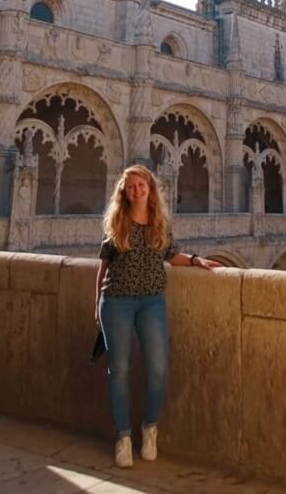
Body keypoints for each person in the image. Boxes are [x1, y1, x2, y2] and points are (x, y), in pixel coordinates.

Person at [95, 165, 221, 468]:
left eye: (141, 185)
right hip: (116, 302)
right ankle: (123, 438)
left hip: (151, 302)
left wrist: (193, 260)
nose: (136, 190)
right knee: (119, 371)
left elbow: (169, 253)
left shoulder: (159, 222)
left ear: (150, 189)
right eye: (131, 186)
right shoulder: (117, 219)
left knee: (158, 369)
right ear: (124, 192)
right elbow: (104, 266)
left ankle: (150, 428)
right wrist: (96, 303)